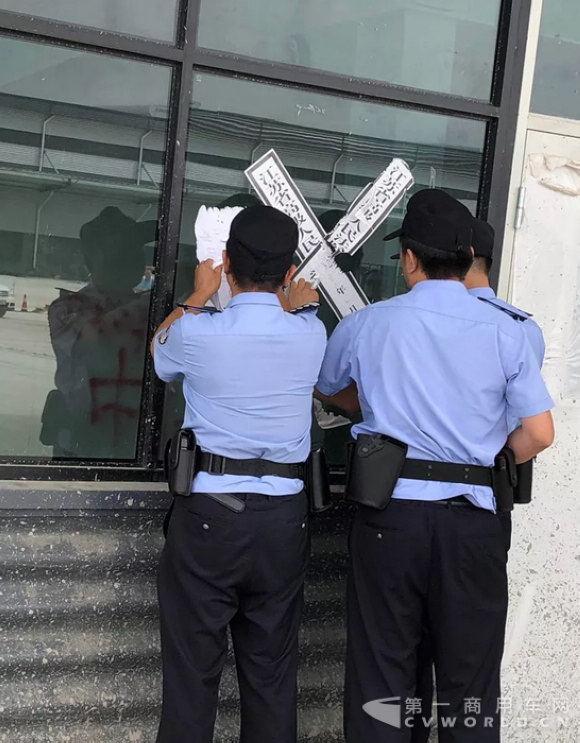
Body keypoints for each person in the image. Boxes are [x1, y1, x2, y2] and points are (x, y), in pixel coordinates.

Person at [316, 189, 554, 742]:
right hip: (473, 524)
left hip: (390, 517)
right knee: (469, 686)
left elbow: (329, 388)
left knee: (382, 681)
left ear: (408, 259)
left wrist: (380, 409)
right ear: (468, 256)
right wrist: (490, 458)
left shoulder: (369, 324)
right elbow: (540, 433)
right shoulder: (507, 330)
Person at [151, 204, 326, 743]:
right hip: (283, 520)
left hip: (209, 517)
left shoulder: (197, 332)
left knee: (191, 679)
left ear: (225, 262)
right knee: (272, 677)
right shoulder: (311, 334)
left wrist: (196, 295)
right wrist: (295, 303)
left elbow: (160, 355)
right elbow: (295, 319)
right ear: (289, 271)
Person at [410, 217, 548, 742]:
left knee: (400, 665)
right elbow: (532, 430)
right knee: (470, 669)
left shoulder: (402, 318)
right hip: (482, 509)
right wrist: (492, 462)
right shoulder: (519, 329)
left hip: (402, 507)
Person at [41, 206, 156, 458]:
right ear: (95, 255)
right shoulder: (67, 308)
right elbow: (95, 339)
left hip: (133, 446)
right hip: (82, 448)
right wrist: (157, 298)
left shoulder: (149, 307)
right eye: (125, 248)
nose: (136, 256)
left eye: (137, 248)